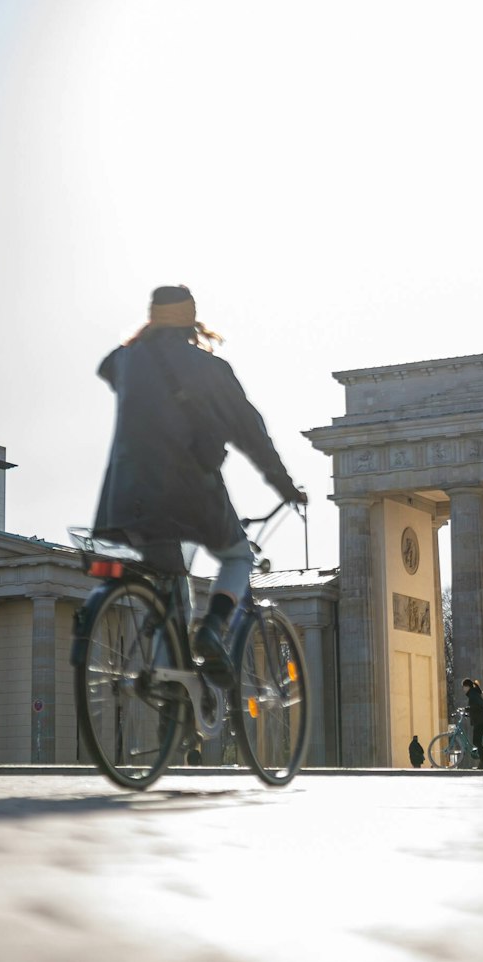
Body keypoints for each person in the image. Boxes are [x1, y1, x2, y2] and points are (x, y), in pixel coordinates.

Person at [92, 285, 306, 680]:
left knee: (171, 588)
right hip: (191, 493)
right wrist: (285, 485)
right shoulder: (212, 370)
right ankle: (213, 629)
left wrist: (143, 344)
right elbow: (252, 433)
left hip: (125, 498)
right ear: (191, 320)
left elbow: (108, 365)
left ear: (153, 317)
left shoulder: (125, 361)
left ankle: (170, 701)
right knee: (238, 556)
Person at [463, 678, 483, 769]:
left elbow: (479, 705)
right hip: (480, 721)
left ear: (467, 687)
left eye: (464, 687)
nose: (463, 689)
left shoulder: (473, 694)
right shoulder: (474, 693)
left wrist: (469, 709)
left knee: (476, 742)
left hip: (480, 721)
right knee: (477, 742)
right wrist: (470, 710)